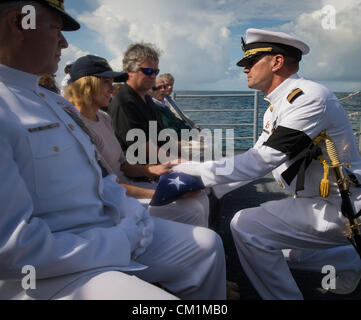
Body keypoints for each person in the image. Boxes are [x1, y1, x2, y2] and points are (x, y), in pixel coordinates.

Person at [0, 0, 226, 300]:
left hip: (106, 228)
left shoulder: (55, 104)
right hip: (49, 267)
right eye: (56, 28)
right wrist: (120, 239)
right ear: (20, 23)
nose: (65, 42)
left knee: (207, 247)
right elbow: (13, 250)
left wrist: (135, 218)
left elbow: (102, 179)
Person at [174, 28, 361, 299]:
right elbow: (255, 158)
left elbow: (262, 161)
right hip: (315, 203)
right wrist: (212, 189)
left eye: (250, 62)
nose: (244, 70)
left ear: (276, 62)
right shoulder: (277, 106)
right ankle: (349, 260)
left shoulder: (308, 99)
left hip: (344, 205)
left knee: (247, 227)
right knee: (279, 248)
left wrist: (192, 173)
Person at [64, 54, 209, 227]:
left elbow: (123, 165)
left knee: (200, 194)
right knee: (191, 210)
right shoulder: (75, 125)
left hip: (128, 184)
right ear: (87, 85)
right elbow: (102, 187)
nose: (112, 89)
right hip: (112, 199)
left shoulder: (103, 118)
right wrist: (157, 193)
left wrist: (154, 169)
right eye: (106, 83)